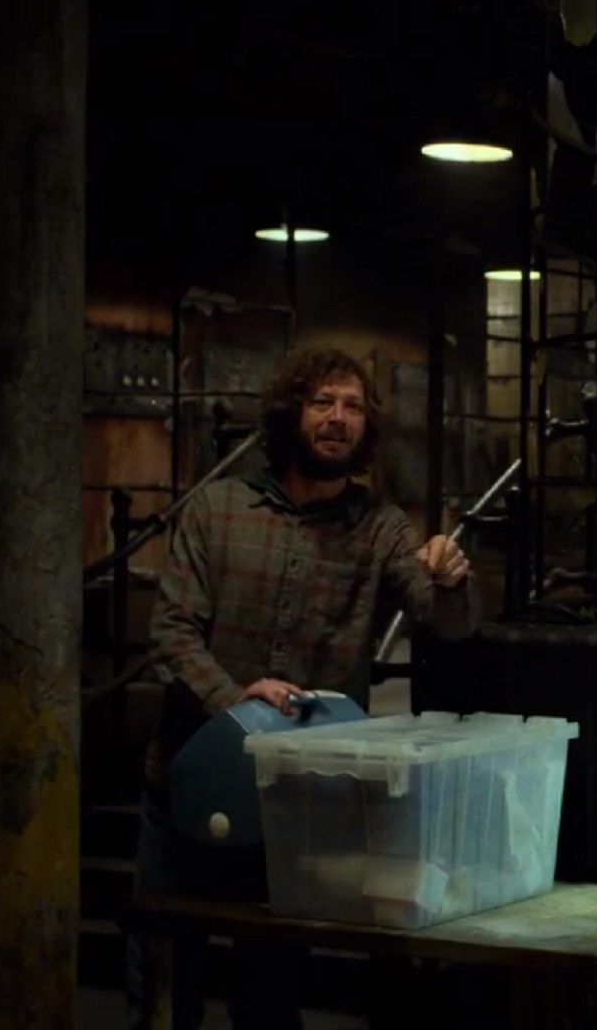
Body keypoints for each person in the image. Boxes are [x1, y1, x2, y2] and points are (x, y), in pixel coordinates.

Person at [125, 347, 478, 1030]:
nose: (338, 418)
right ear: (292, 414)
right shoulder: (217, 509)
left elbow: (443, 621)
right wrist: (236, 701)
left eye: (352, 406)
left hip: (294, 805)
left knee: (270, 993)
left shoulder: (380, 527)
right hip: (188, 776)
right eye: (322, 402)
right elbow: (171, 633)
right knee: (167, 988)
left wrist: (450, 579)